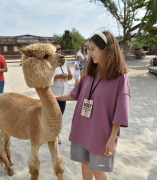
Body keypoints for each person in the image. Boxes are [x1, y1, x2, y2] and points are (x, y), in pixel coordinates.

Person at [56, 31, 130, 180]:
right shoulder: (89, 73)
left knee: (97, 170)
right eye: (89, 49)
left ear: (107, 50)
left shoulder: (120, 78)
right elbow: (75, 95)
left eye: (92, 49)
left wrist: (112, 138)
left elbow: (121, 111)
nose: (89, 54)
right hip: (82, 127)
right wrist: (53, 97)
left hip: (102, 133)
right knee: (85, 164)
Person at [50, 41, 73, 144]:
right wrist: (59, 76)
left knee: (61, 114)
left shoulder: (65, 61)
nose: (59, 51)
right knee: (56, 116)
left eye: (60, 49)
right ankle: (56, 136)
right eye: (56, 49)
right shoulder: (49, 62)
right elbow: (47, 79)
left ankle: (53, 133)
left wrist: (70, 76)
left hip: (63, 93)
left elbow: (70, 76)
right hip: (54, 93)